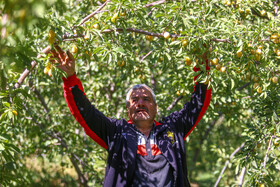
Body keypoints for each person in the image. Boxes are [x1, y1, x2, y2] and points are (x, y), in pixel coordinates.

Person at [51, 45, 211, 187]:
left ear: (155, 107)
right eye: (134, 100)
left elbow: (198, 103)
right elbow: (85, 113)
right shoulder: (116, 133)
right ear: (128, 110)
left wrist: (202, 66)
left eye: (146, 99)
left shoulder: (173, 129)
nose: (140, 103)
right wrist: (70, 77)